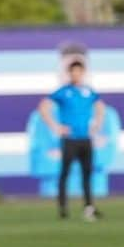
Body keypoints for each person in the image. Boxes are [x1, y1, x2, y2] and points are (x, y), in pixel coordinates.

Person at [39, 60, 105, 221]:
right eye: (73, 72)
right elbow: (44, 107)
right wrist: (55, 126)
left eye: (79, 72)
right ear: (69, 73)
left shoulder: (88, 92)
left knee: (86, 174)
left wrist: (97, 123)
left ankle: (89, 207)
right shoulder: (63, 92)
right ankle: (63, 208)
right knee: (65, 173)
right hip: (70, 139)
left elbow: (100, 106)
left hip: (85, 139)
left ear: (83, 73)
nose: (76, 75)